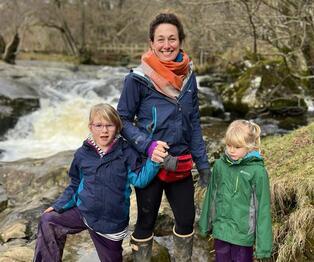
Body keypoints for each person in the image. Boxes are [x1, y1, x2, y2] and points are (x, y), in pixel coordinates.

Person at [117, 13, 210, 261]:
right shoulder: (136, 79)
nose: (166, 45)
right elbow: (122, 121)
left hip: (180, 162)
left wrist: (203, 165)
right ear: (151, 43)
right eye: (160, 39)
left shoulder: (189, 76)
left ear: (180, 41)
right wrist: (148, 147)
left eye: (172, 39)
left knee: (187, 219)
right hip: (149, 164)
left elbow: (194, 123)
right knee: (146, 219)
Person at [33, 103, 167, 262]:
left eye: (109, 125)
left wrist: (154, 162)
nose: (104, 130)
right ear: (90, 127)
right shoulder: (82, 154)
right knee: (48, 220)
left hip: (110, 224)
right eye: (99, 125)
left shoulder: (126, 152)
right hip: (84, 212)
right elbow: (75, 184)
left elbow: (140, 180)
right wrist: (59, 205)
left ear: (117, 127)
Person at [199, 120, 272, 262]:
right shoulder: (220, 165)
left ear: (250, 147)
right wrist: (204, 224)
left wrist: (264, 247)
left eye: (237, 147)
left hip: (243, 237)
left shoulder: (258, 172)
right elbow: (211, 196)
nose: (231, 150)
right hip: (221, 232)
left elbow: (263, 209)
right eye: (229, 145)